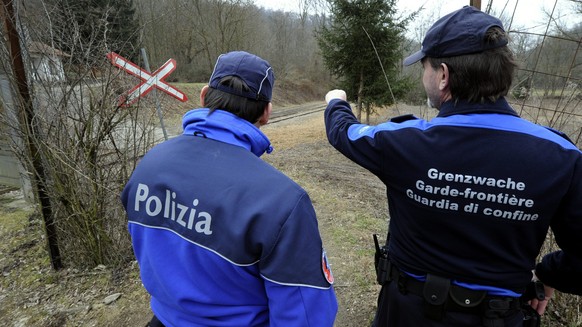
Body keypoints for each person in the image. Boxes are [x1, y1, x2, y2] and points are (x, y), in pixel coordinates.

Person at [324, 6, 582, 327]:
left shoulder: (403, 141)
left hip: (406, 315)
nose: (424, 77)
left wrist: (336, 100)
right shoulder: (560, 153)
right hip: (501, 317)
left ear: (444, 75)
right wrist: (547, 275)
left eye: (426, 68)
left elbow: (343, 133)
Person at [121, 51, 338, 327]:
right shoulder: (283, 201)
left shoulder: (149, 164)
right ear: (267, 113)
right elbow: (308, 316)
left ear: (203, 96)